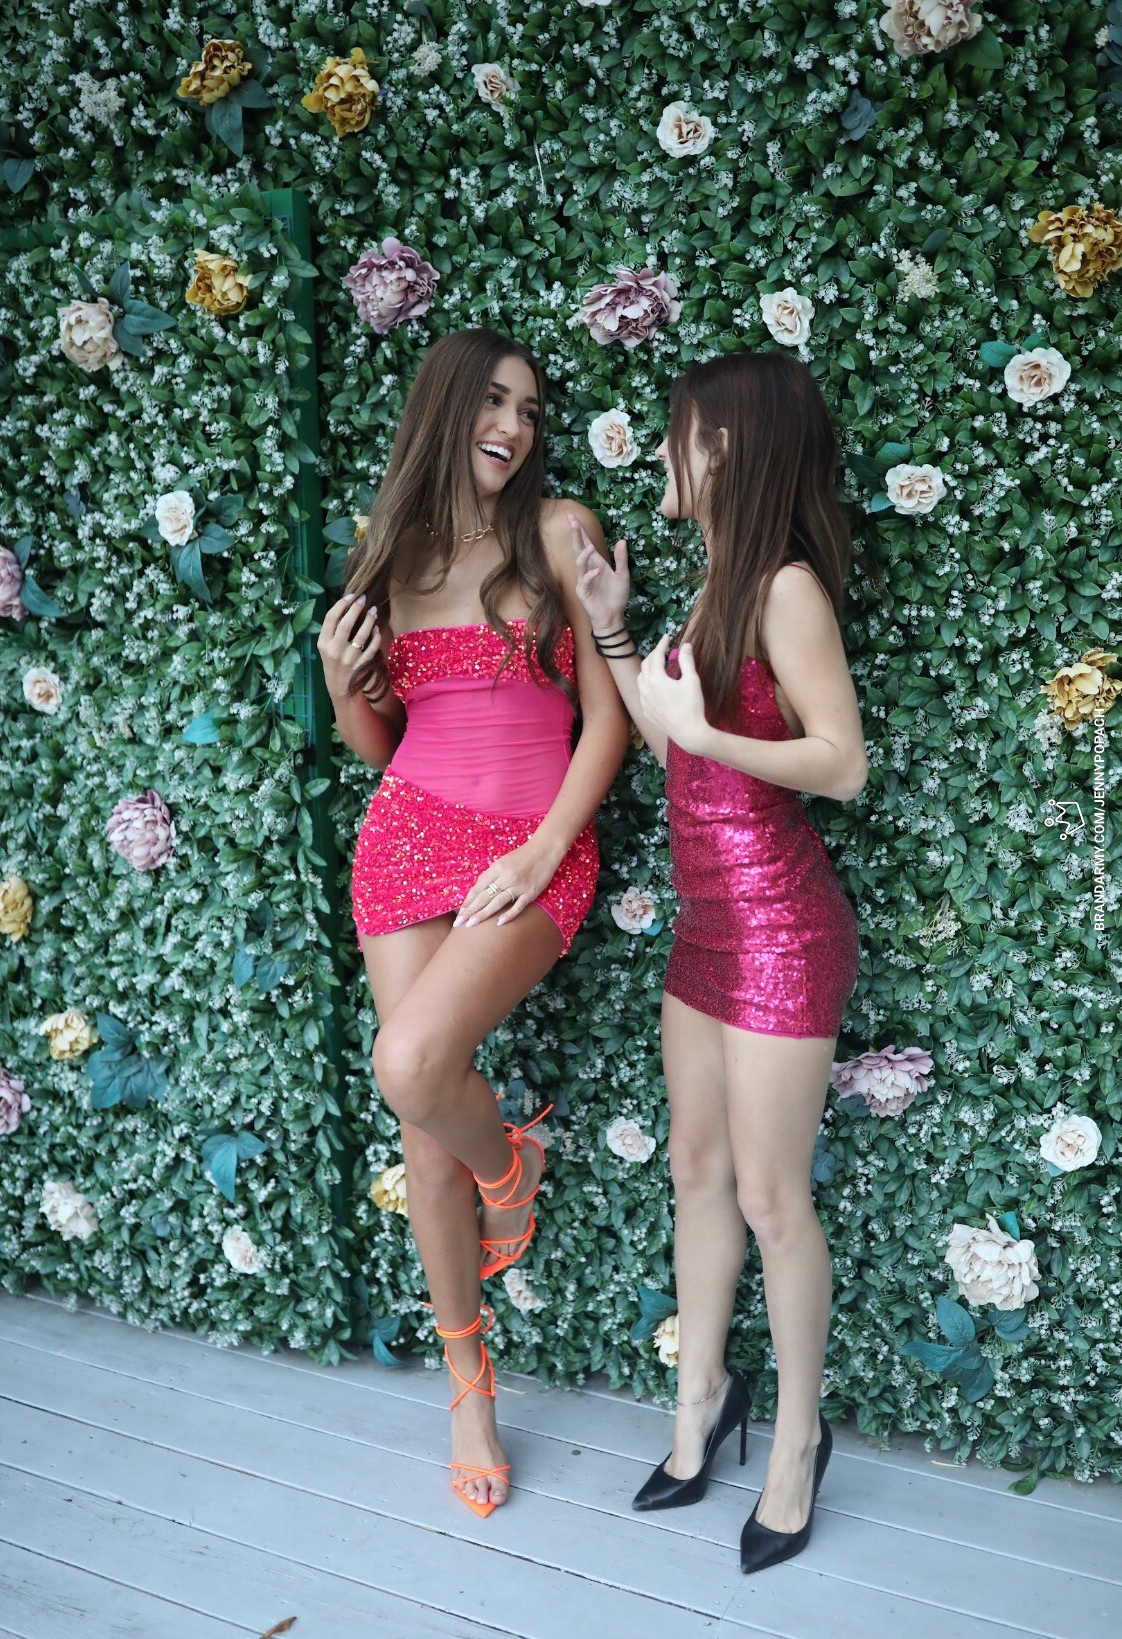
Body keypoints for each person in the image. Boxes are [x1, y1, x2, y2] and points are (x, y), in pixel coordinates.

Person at [317, 328, 629, 1519]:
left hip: (530, 848)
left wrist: (544, 850)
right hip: (406, 833)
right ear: (445, 409)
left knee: (411, 1065)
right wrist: (342, 682)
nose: (514, 425)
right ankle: (468, 1386)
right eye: (494, 401)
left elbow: (608, 722)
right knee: (422, 1134)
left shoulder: (559, 531)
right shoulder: (389, 554)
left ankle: (514, 1162)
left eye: (530, 410)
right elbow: (380, 745)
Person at [570, 349, 867, 1574]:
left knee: (768, 1197)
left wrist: (703, 728)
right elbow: (675, 747)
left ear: (729, 446)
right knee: (695, 1166)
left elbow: (842, 761)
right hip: (704, 924)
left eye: (680, 431)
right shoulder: (715, 586)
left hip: (783, 929)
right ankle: (699, 1403)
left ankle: (795, 1444)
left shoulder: (786, 589)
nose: (664, 450)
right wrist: (613, 628)